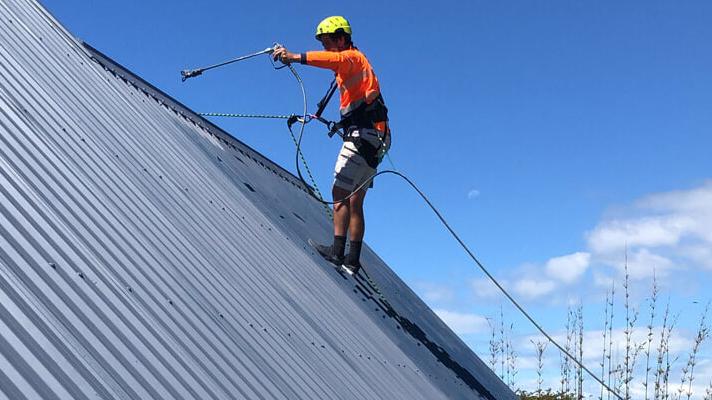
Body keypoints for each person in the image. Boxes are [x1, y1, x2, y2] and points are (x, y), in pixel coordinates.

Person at [273, 15, 391, 276]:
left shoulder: (351, 58)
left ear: (341, 39)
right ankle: (352, 261)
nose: (325, 47)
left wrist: (292, 57)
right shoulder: (355, 65)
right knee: (356, 200)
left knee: (339, 191)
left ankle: (337, 253)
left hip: (363, 136)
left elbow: (332, 60)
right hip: (377, 140)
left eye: (327, 42)